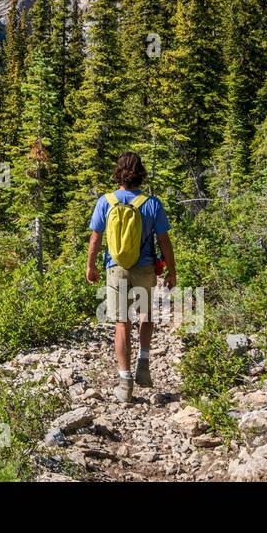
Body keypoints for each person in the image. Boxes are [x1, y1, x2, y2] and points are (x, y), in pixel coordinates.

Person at [84, 151, 176, 403]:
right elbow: (164, 241)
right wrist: (172, 271)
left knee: (121, 322)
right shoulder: (152, 203)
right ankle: (143, 366)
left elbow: (95, 237)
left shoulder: (106, 201)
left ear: (118, 173)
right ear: (140, 172)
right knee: (146, 314)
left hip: (116, 268)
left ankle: (125, 384)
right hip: (146, 268)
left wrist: (90, 266)